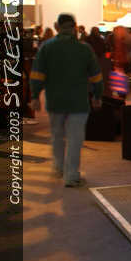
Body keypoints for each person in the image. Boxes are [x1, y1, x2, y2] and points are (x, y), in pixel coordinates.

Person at [30, 13, 103, 188]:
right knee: (75, 139)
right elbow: (96, 75)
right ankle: (71, 176)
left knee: (57, 135)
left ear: (57, 26)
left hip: (55, 101)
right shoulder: (84, 49)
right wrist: (97, 95)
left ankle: (58, 168)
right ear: (75, 27)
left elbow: (37, 74)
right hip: (78, 102)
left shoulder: (47, 47)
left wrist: (35, 96)